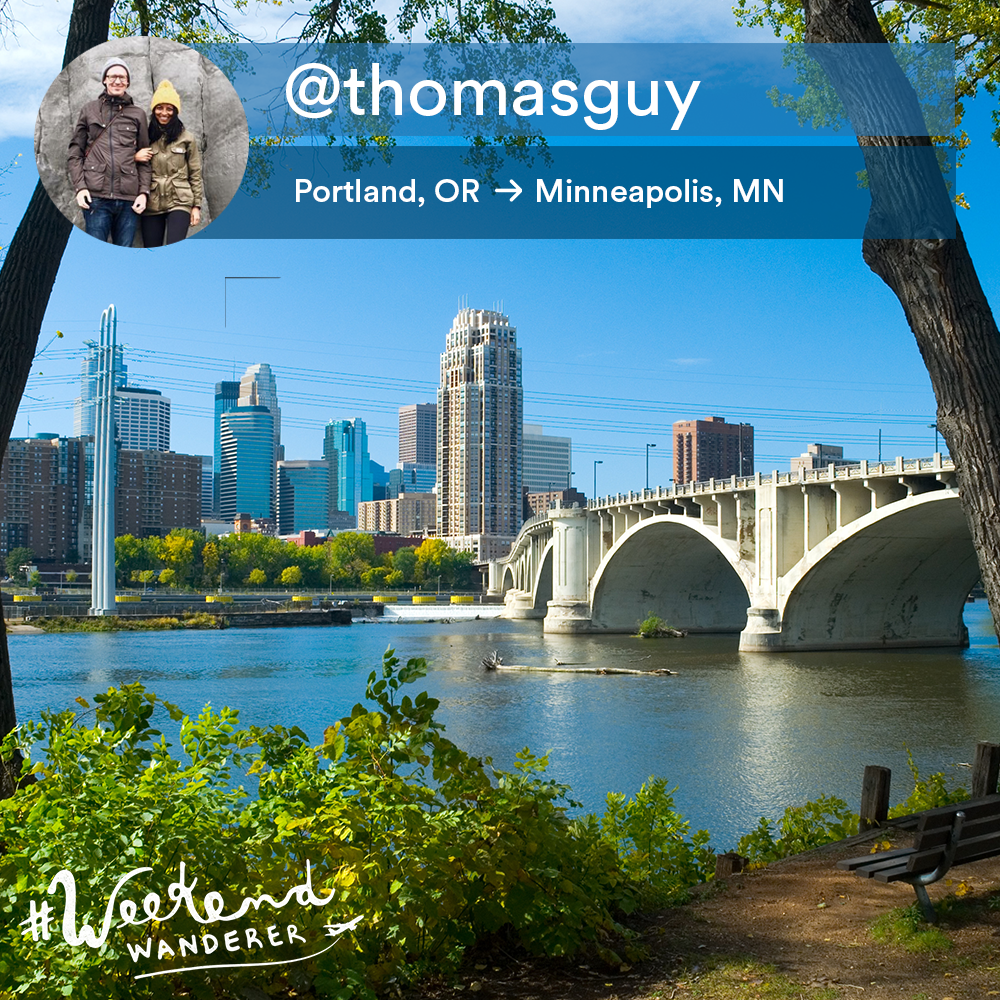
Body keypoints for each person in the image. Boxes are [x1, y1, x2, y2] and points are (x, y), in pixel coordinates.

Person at [67, 58, 150, 246]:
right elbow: (75, 153)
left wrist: (143, 193)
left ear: (128, 82)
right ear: (104, 80)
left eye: (122, 77)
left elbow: (145, 157)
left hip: (129, 199)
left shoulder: (138, 114)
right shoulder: (89, 110)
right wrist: (80, 188)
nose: (117, 81)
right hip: (95, 198)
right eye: (113, 76)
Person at [135, 81, 203, 246]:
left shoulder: (187, 138)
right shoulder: (144, 137)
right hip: (151, 203)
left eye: (169, 108)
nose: (164, 113)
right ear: (153, 109)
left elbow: (195, 173)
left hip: (180, 201)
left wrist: (196, 206)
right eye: (159, 107)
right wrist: (134, 157)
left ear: (175, 111)